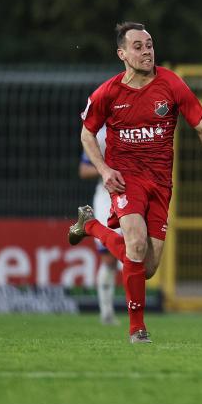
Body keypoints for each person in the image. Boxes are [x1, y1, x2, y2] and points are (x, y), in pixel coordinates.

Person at [68, 22, 202, 343]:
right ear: (122, 53)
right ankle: (137, 329)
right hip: (125, 179)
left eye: (149, 45)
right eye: (138, 46)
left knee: (147, 267)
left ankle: (90, 226)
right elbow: (87, 133)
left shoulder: (172, 85)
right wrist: (105, 171)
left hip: (160, 183)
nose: (146, 51)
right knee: (134, 243)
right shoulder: (108, 93)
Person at [78, 125, 120, 325]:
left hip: (136, 197)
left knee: (137, 254)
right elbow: (84, 170)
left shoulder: (140, 129)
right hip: (107, 198)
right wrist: (105, 169)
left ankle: (137, 312)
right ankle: (107, 312)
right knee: (109, 257)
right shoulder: (100, 135)